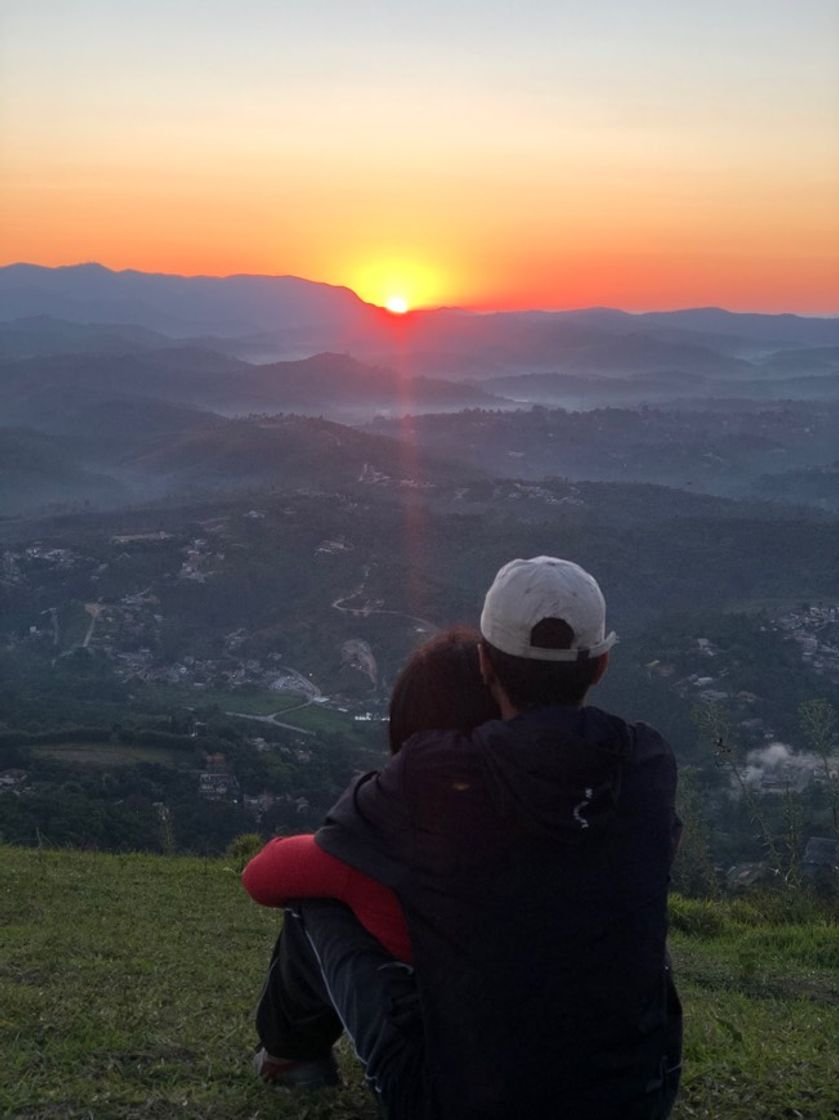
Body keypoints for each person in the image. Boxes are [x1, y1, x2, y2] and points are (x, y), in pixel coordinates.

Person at [248, 557, 682, 1119]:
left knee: (311, 906)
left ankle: (293, 1059)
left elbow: (265, 878)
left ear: (485, 662)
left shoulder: (431, 777)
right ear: (600, 665)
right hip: (640, 1099)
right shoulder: (647, 763)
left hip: (464, 1105)